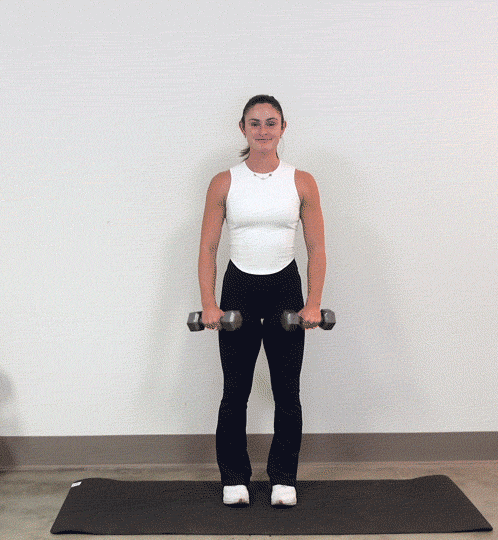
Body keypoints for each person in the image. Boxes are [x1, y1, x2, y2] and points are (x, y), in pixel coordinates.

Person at [197, 95, 327, 507]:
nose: (263, 130)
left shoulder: (302, 181)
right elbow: (208, 248)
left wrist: (313, 303)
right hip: (238, 288)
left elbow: (316, 247)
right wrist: (209, 304)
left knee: (287, 391)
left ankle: (283, 478)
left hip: (285, 288)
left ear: (283, 128)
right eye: (255, 123)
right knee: (235, 391)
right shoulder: (224, 182)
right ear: (243, 129)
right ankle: (234, 478)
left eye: (271, 122)